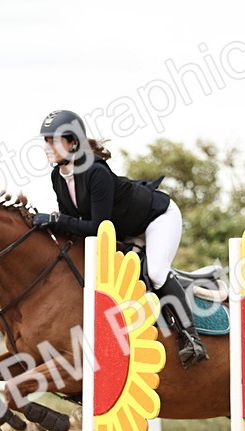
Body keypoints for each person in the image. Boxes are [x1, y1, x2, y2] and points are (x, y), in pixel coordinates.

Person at [31, 109, 208, 369]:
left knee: (156, 272)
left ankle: (191, 338)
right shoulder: (58, 176)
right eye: (46, 141)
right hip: (123, 229)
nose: (48, 147)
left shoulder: (95, 172)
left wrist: (57, 220)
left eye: (54, 141)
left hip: (157, 218)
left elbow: (98, 228)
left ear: (73, 142)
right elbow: (73, 223)